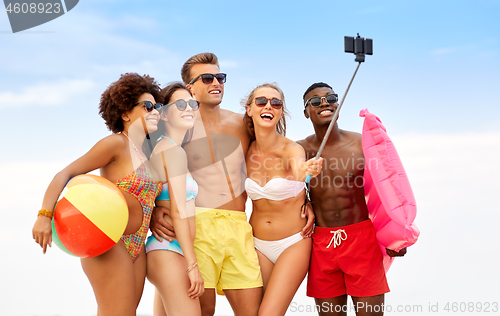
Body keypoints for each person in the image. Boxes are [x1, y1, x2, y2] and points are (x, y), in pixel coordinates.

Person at [32, 73, 164, 316]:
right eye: (147, 106)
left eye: (157, 106)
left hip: (137, 244)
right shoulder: (115, 144)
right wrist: (44, 214)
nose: (155, 111)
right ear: (125, 114)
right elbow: (65, 173)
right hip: (108, 242)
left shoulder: (150, 152)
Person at [297, 82, 407, 316]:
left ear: (339, 104)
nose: (324, 103)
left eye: (331, 98)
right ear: (306, 112)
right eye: (315, 101)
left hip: (362, 240)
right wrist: (305, 203)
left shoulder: (360, 143)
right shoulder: (298, 149)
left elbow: (390, 187)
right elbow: (284, 187)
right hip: (321, 244)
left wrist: (397, 235)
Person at [243, 83, 322, 316]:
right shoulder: (244, 150)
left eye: (276, 103)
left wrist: (309, 170)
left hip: (293, 242)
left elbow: (300, 172)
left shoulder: (291, 149)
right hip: (256, 243)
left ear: (280, 112)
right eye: (261, 101)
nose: (269, 106)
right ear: (249, 109)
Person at [145, 82, 204, 316]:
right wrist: (192, 265)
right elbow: (179, 211)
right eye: (180, 104)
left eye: (192, 103)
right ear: (165, 115)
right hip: (168, 250)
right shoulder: (172, 151)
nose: (189, 108)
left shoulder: (168, 149)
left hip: (169, 250)